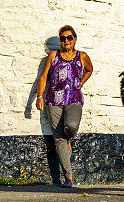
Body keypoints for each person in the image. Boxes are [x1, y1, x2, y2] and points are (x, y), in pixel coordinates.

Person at [36, 25, 93, 187]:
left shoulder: (82, 56)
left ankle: (68, 140)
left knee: (72, 126)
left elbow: (89, 70)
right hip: (53, 100)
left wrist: (79, 84)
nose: (66, 41)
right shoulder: (53, 55)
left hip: (73, 98)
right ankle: (68, 177)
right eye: (63, 38)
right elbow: (43, 77)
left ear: (75, 39)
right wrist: (39, 96)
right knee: (58, 140)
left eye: (69, 37)